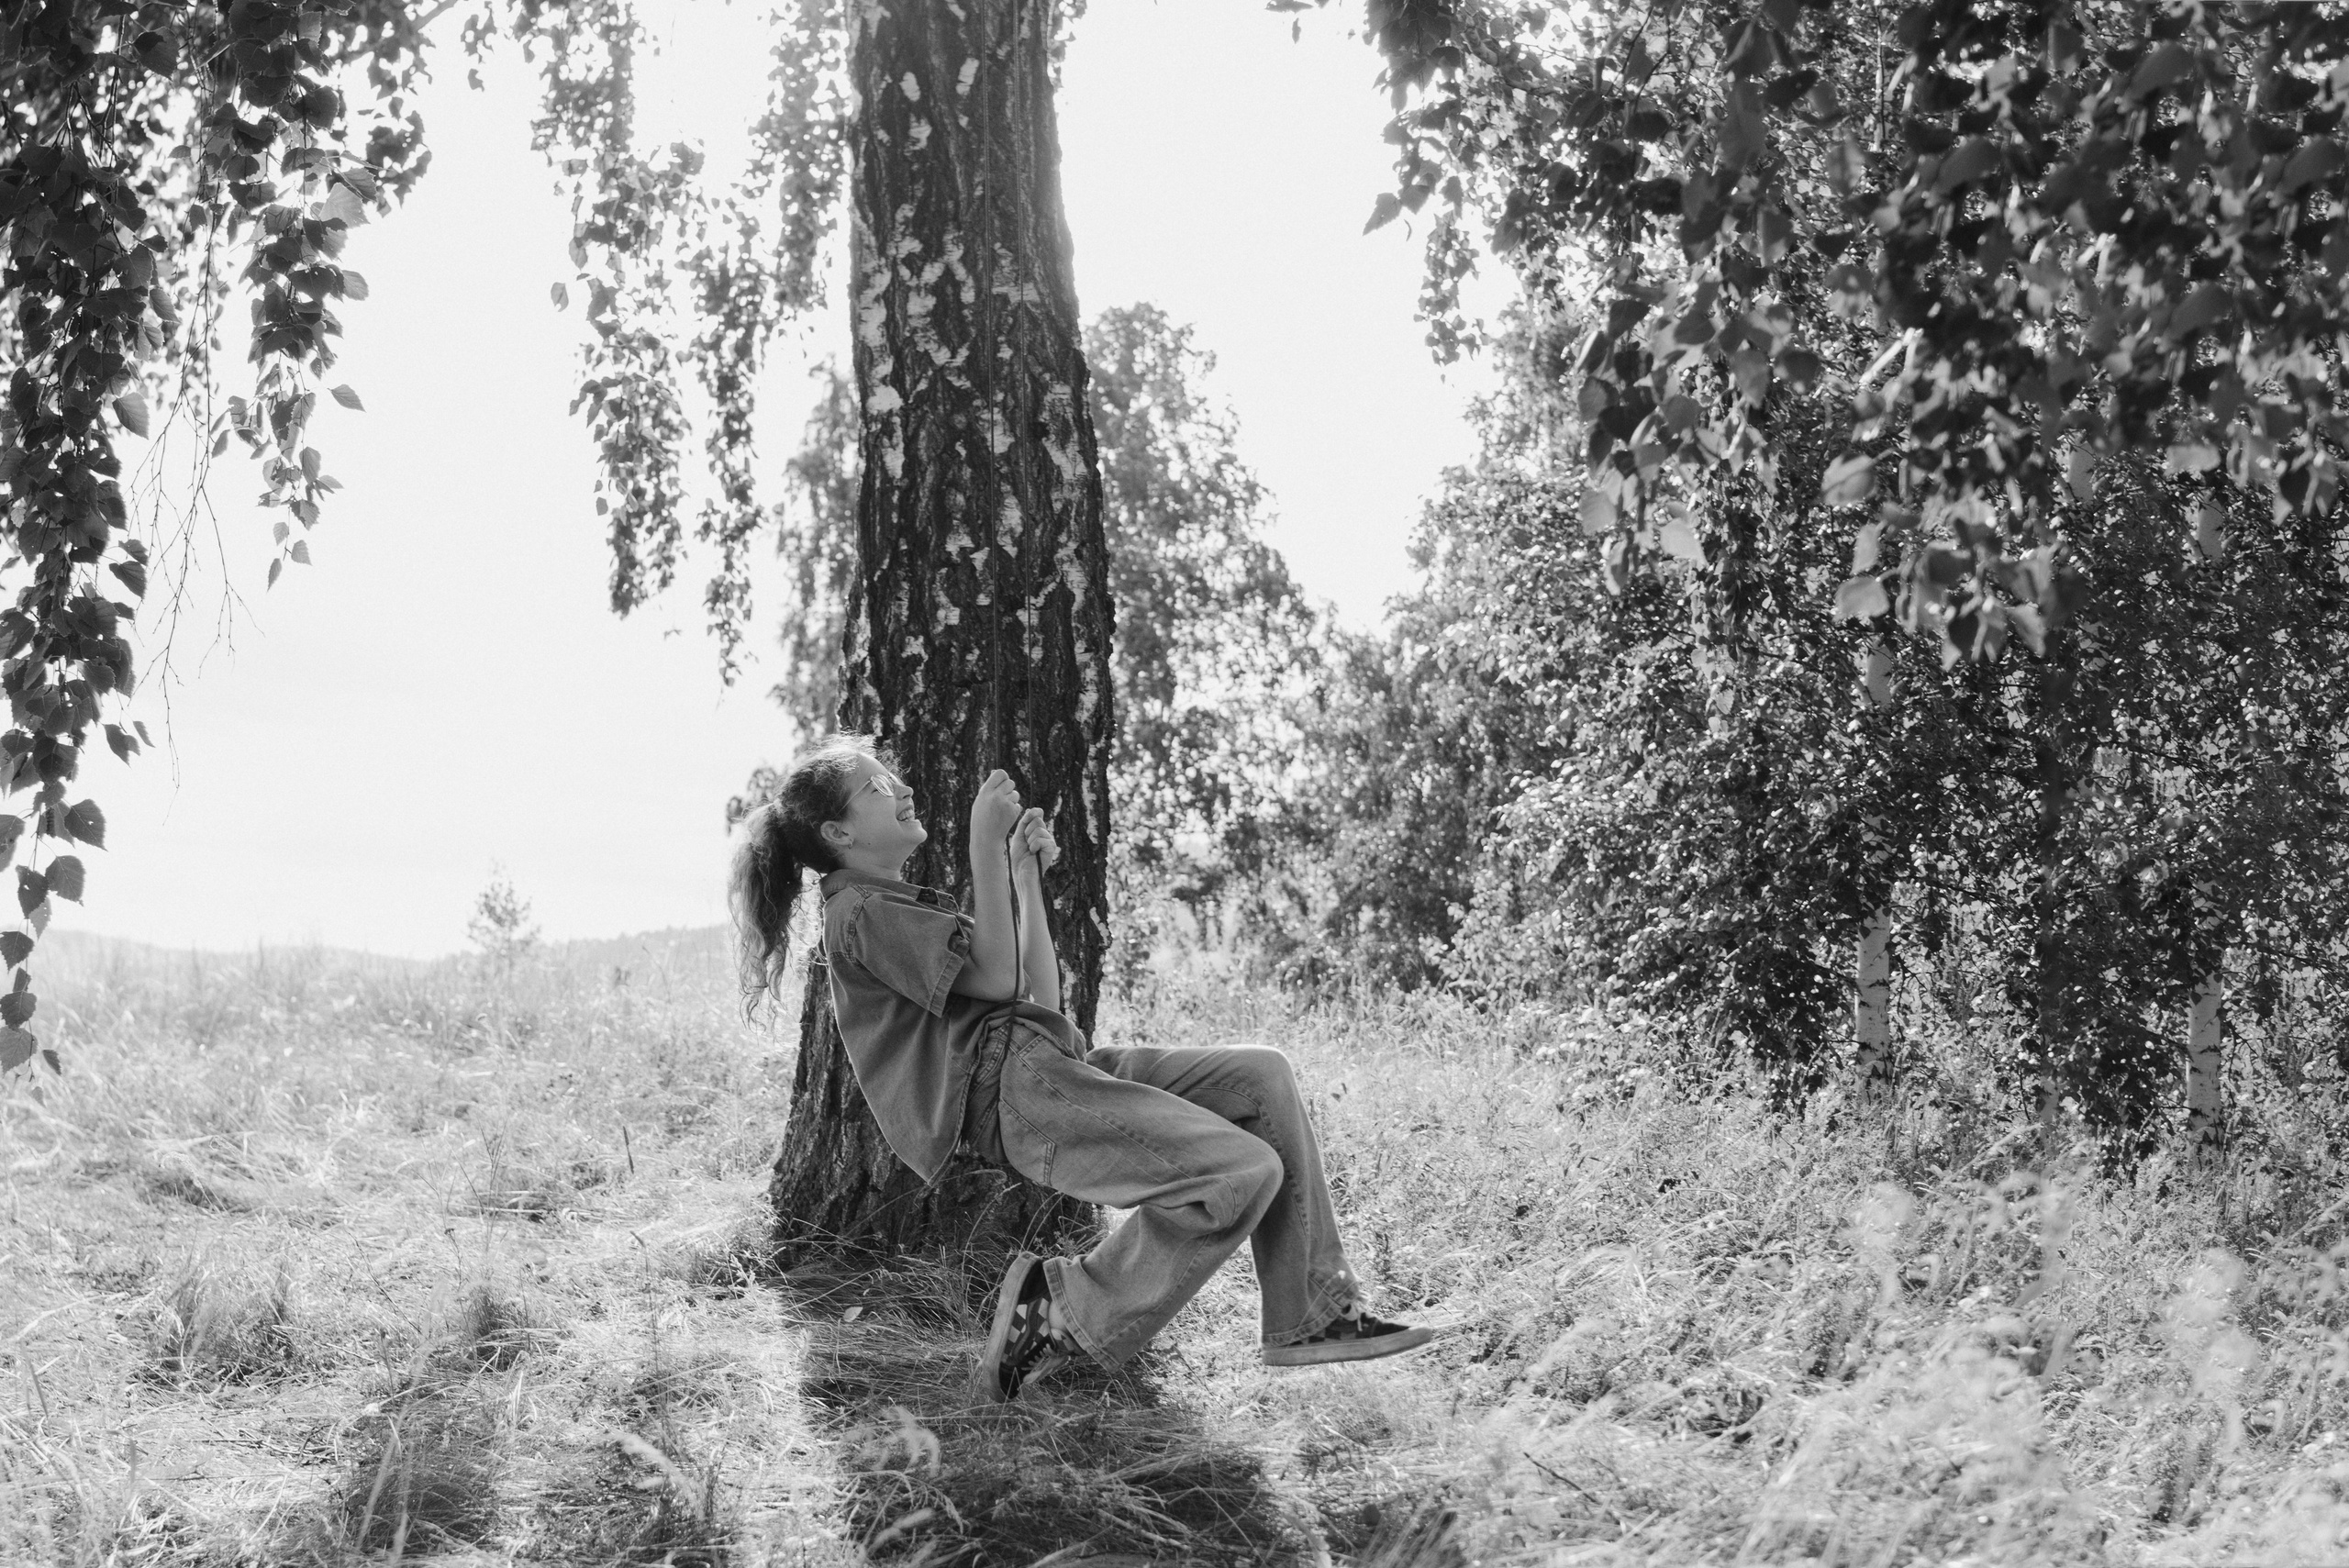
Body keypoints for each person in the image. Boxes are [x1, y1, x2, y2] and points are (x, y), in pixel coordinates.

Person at [730, 734, 1433, 1399]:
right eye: (876, 786)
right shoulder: (860, 913)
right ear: (839, 833)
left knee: (1262, 1076)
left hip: (1048, 1065)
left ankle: (1314, 1310)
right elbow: (999, 977)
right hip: (1016, 1089)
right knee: (1241, 1172)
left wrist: (1022, 875)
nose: (901, 786)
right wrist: (983, 844)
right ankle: (1062, 1307)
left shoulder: (892, 905)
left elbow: (1036, 994)